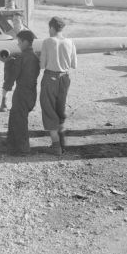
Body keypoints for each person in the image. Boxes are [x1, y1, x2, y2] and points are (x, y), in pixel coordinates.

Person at [39, 16, 77, 156]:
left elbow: (42, 65)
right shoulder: (70, 42)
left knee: (48, 109)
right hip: (65, 77)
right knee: (60, 109)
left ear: (51, 28)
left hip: (51, 77)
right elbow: (74, 64)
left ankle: (56, 146)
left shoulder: (48, 41)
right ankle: (62, 143)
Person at [4, 30, 41, 156]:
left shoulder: (21, 57)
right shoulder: (35, 57)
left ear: (25, 42)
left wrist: (7, 64)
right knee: (16, 117)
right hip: (32, 92)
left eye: (19, 42)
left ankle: (23, 149)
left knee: (19, 120)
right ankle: (13, 146)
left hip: (21, 92)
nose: (18, 45)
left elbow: (12, 76)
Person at [0, 12, 31, 111]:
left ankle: (26, 103)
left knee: (26, 82)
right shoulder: (9, 34)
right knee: (8, 82)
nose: (14, 22)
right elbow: (3, 48)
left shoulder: (28, 33)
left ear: (22, 21)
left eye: (17, 20)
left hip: (24, 61)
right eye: (13, 20)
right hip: (11, 61)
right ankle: (4, 102)